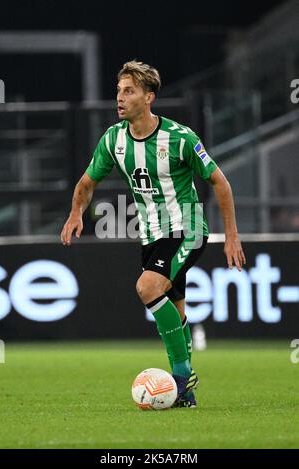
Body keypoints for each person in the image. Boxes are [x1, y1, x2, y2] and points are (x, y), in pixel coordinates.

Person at [61, 60, 246, 408]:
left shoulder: (180, 138)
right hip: (150, 235)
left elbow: (219, 181)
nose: (120, 97)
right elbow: (87, 182)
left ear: (148, 98)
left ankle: (178, 377)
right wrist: (75, 213)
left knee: (147, 287)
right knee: (174, 309)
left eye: (128, 91)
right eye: (118, 90)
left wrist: (231, 235)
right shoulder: (114, 139)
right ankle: (184, 393)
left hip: (187, 227)